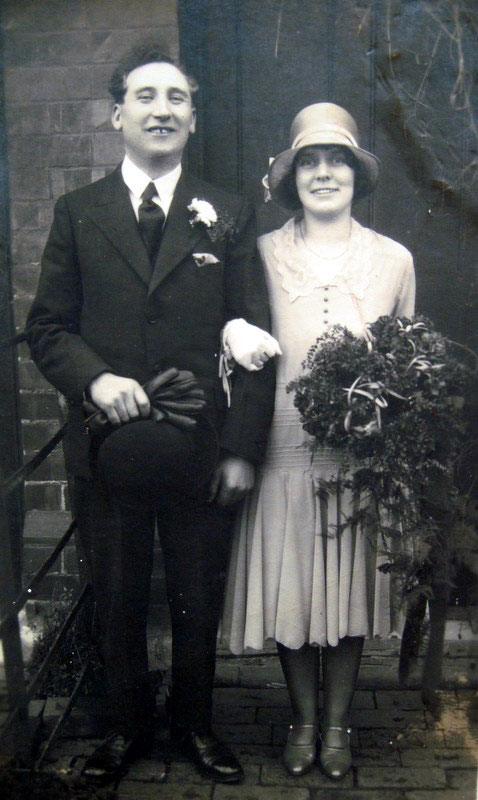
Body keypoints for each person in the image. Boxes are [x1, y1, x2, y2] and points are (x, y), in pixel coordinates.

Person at [26, 42, 276, 785]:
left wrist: (240, 449)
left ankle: (196, 726)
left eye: (176, 98)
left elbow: (256, 336)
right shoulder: (78, 214)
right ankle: (125, 731)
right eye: (145, 96)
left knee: (198, 591)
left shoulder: (229, 212)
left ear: (194, 118)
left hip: (199, 444)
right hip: (108, 444)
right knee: (118, 589)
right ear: (117, 115)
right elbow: (48, 327)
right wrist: (95, 380)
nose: (161, 110)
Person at [221, 103, 416, 780]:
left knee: (349, 589)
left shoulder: (394, 260)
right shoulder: (265, 253)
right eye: (310, 160)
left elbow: (406, 367)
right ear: (290, 175)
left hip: (358, 453)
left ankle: (338, 726)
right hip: (282, 442)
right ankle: (302, 718)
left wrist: (380, 414)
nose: (324, 172)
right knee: (295, 588)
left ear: (358, 176)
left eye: (337, 160)